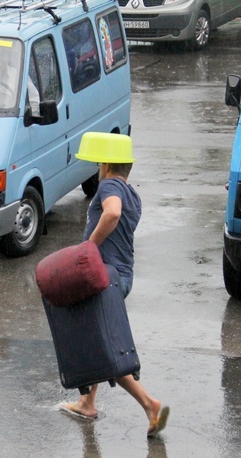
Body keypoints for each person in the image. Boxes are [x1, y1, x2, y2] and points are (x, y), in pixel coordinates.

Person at [61, 132, 170, 438]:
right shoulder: (132, 192)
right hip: (121, 275)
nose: (97, 166)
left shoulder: (109, 185)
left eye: (98, 161)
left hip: (104, 276)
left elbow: (111, 213)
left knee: (106, 351)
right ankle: (87, 402)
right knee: (96, 340)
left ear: (106, 164)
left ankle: (149, 404)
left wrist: (88, 249)